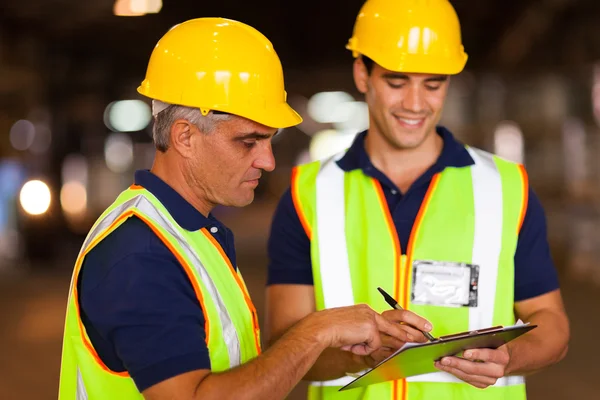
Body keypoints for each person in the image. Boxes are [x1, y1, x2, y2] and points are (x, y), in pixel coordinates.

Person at [57, 17, 432, 400]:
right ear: (185, 136)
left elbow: (239, 375)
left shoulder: (189, 233)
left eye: (269, 140)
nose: (268, 162)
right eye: (248, 141)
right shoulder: (140, 256)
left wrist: (357, 351)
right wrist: (316, 331)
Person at [265, 0, 570, 399]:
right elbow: (285, 346)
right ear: (362, 73)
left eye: (433, 83)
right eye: (396, 81)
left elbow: (552, 324)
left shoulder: (506, 187)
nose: (415, 103)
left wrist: (509, 358)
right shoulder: (309, 194)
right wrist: (364, 355)